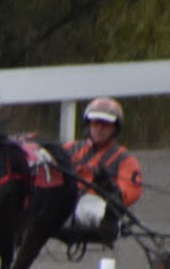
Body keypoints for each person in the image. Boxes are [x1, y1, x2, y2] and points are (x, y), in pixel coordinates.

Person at [59, 96, 142, 239]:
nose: (99, 128)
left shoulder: (124, 159)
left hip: (95, 207)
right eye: (95, 123)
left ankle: (113, 223)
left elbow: (127, 195)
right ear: (89, 125)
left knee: (92, 207)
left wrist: (108, 187)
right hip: (62, 202)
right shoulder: (70, 149)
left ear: (115, 128)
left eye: (105, 125)